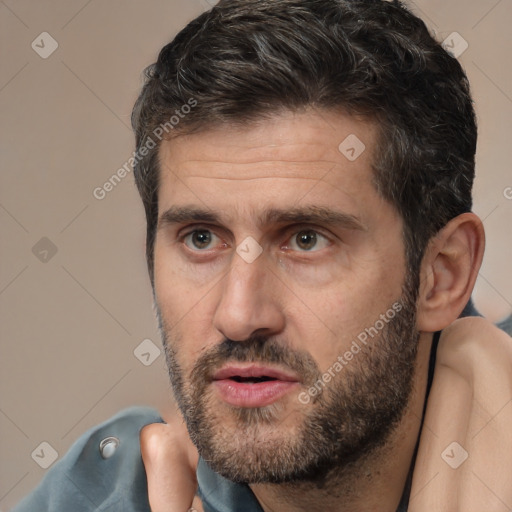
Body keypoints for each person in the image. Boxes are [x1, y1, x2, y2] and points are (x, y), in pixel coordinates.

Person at [13, 0, 512, 511]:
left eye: (306, 240)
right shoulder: (100, 493)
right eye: (201, 238)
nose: (238, 316)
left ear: (442, 275)